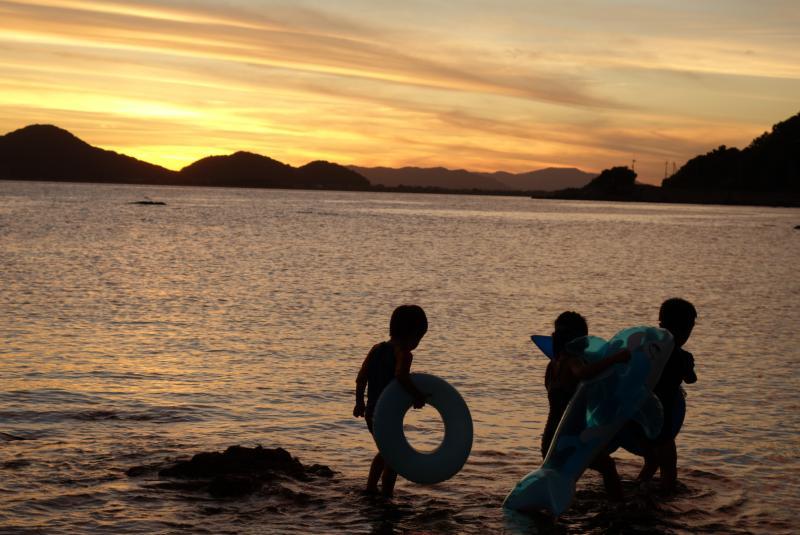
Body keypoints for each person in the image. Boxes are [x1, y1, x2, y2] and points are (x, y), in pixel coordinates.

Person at [541, 311, 631, 501]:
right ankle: (620, 509)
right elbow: (583, 373)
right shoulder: (573, 361)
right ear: (580, 340)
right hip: (569, 437)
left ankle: (548, 510)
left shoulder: (552, 365)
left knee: (560, 478)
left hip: (550, 438)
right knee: (608, 467)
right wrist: (615, 359)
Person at [353, 304, 429, 496]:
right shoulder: (404, 354)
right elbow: (401, 376)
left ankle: (371, 488)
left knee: (386, 451)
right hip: (388, 414)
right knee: (393, 456)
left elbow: (361, 377)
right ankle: (386, 493)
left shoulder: (376, 349)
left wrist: (359, 402)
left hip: (372, 412)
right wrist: (417, 395)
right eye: (419, 338)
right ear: (412, 335)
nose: (417, 343)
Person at [637, 298, 697, 491]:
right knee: (669, 471)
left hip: (641, 415)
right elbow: (691, 379)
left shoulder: (645, 350)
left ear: (660, 324)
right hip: (664, 421)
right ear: (686, 329)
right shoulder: (682, 356)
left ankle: (639, 488)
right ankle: (662, 500)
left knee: (652, 462)